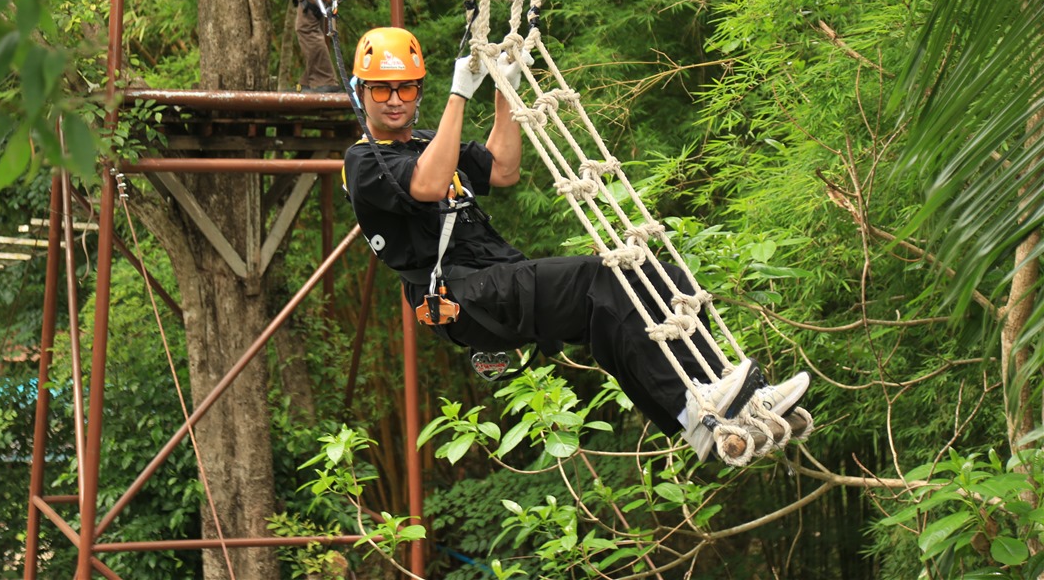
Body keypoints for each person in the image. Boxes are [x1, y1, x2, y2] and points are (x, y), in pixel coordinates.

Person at [342, 27, 810, 462]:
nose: (394, 101)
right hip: (462, 296)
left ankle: (723, 409)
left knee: (656, 278)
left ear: (417, 91)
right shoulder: (364, 162)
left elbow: (502, 169)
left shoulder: (423, 140)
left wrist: (506, 92)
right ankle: (696, 409)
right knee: (597, 280)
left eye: (406, 88)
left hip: (498, 280)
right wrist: (460, 92)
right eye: (381, 89)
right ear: (361, 92)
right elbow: (427, 183)